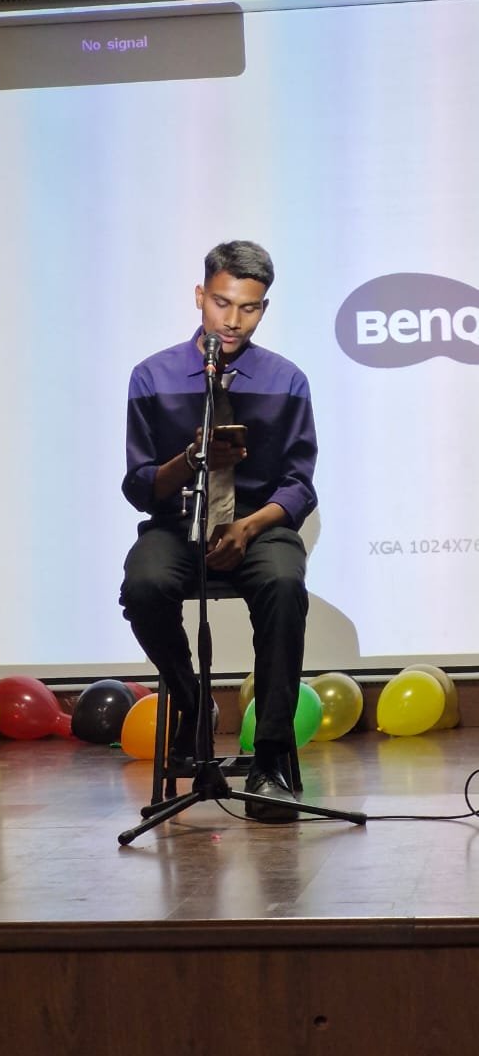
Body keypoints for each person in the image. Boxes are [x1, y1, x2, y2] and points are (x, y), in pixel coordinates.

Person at [119, 241, 318, 822]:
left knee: (283, 585)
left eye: (249, 308)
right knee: (144, 586)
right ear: (200, 296)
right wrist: (190, 459)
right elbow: (139, 485)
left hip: (257, 523)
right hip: (178, 520)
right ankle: (193, 700)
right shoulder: (152, 376)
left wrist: (249, 527)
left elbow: (299, 485)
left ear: (263, 309)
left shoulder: (287, 380)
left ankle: (271, 758)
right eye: (222, 303)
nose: (233, 320)